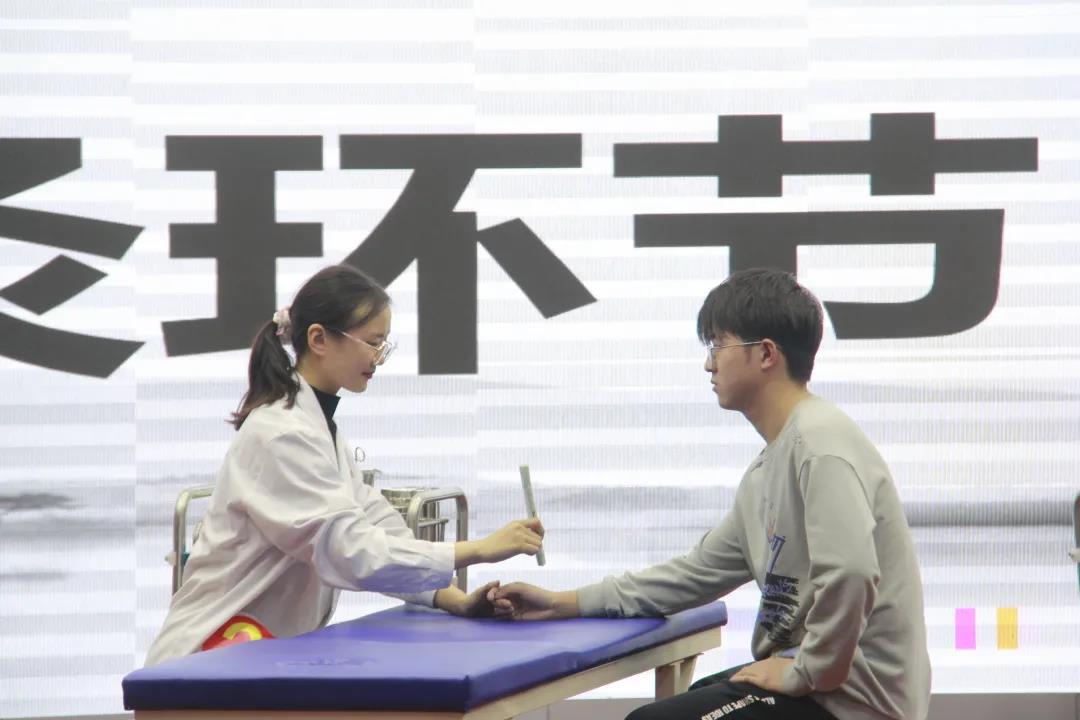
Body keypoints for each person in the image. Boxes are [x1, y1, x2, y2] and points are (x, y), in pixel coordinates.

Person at [489, 269, 931, 720]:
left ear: (765, 354)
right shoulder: (769, 468)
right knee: (696, 695)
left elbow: (852, 571)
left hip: (851, 702)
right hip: (815, 683)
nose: (709, 364)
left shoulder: (821, 445)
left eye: (718, 345)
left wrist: (807, 672)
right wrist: (562, 603)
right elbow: (693, 574)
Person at [146, 264, 543, 666]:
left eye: (384, 345)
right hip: (207, 658)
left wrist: (453, 599)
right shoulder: (281, 434)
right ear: (319, 338)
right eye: (372, 343)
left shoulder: (318, 430)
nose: (379, 358)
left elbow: (378, 529)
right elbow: (350, 551)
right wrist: (479, 549)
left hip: (252, 655)